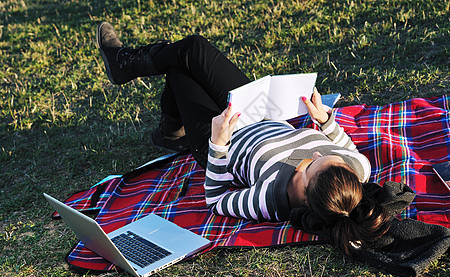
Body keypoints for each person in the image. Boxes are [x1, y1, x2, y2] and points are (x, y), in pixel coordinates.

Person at [96, 22, 391, 256]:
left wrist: (218, 144)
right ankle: (165, 122)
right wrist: (325, 121)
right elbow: (345, 145)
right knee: (193, 48)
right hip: (255, 111)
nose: (315, 154)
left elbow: (216, 199)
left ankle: (160, 111)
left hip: (220, 138)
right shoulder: (356, 168)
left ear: (305, 192)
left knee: (178, 71)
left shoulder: (271, 197)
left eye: (312, 166)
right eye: (330, 156)